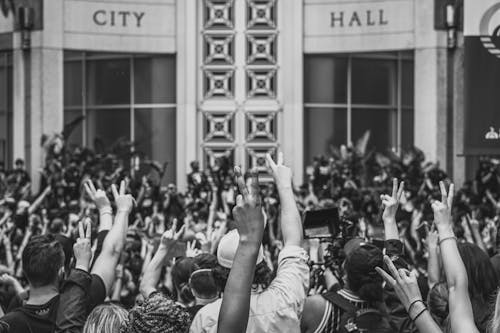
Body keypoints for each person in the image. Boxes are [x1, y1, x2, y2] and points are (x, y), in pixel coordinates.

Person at [191, 152, 309, 333]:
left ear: (219, 274)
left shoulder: (207, 318)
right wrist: (284, 185)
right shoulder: (286, 296)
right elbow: (293, 241)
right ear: (263, 266)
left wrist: (248, 241)